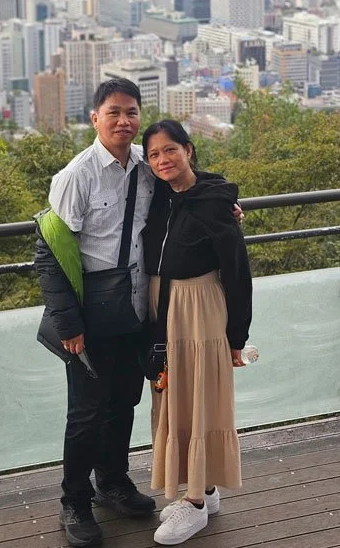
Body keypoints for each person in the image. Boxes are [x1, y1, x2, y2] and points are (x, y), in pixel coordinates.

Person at [34, 78, 159, 547]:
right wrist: (68, 324)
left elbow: (189, 183)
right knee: (86, 413)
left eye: (131, 112)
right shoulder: (76, 176)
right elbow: (49, 254)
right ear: (95, 118)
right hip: (91, 314)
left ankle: (112, 480)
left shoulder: (147, 166)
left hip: (135, 307)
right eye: (114, 112)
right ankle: (74, 500)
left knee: (124, 401)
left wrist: (228, 203)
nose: (124, 121)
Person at [141, 119, 252, 546]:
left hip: (199, 308)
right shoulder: (161, 197)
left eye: (170, 149)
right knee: (175, 399)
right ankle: (203, 487)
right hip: (165, 308)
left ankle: (196, 503)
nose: (162, 160)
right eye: (154, 154)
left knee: (200, 398)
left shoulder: (213, 203)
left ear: (188, 150)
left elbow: (238, 272)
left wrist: (237, 337)